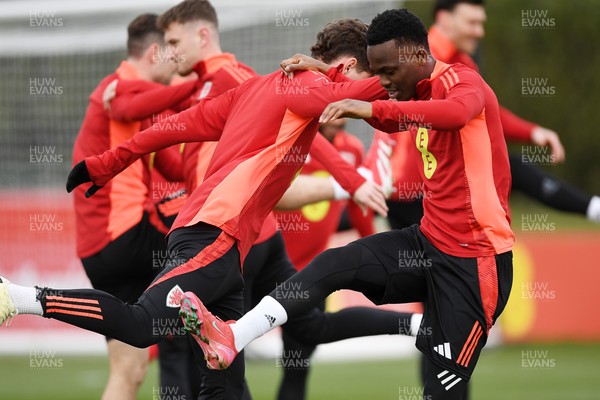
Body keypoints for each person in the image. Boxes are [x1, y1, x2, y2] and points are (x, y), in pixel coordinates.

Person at [0, 18, 395, 400]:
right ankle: (19, 297)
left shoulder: (256, 87)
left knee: (224, 386)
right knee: (142, 325)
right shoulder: (306, 82)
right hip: (215, 235)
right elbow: (372, 92)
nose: (384, 81)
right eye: (374, 70)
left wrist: (112, 161)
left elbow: (179, 124)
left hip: (219, 243)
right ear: (347, 66)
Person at [175, 9, 515, 400]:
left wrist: (369, 106)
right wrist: (325, 69)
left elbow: (454, 113)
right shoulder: (414, 88)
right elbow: (389, 118)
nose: (382, 83)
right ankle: (233, 337)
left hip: (478, 264)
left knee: (442, 392)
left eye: (388, 72)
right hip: (428, 243)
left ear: (418, 56)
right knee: (334, 264)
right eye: (377, 72)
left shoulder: (463, 82)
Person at [386, 0, 600, 230]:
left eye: (481, 23)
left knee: (506, 166)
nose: (480, 32)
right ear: (445, 19)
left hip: (424, 191)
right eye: (472, 22)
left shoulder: (462, 62)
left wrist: (532, 132)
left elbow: (487, 113)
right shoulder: (422, 59)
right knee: (509, 168)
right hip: (414, 195)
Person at [69, 14, 195, 400]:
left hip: (101, 251)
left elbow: (173, 165)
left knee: (130, 370)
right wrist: (198, 88)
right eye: (171, 50)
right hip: (124, 238)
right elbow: (126, 107)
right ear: (154, 51)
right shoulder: (118, 88)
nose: (177, 60)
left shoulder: (138, 97)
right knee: (205, 263)